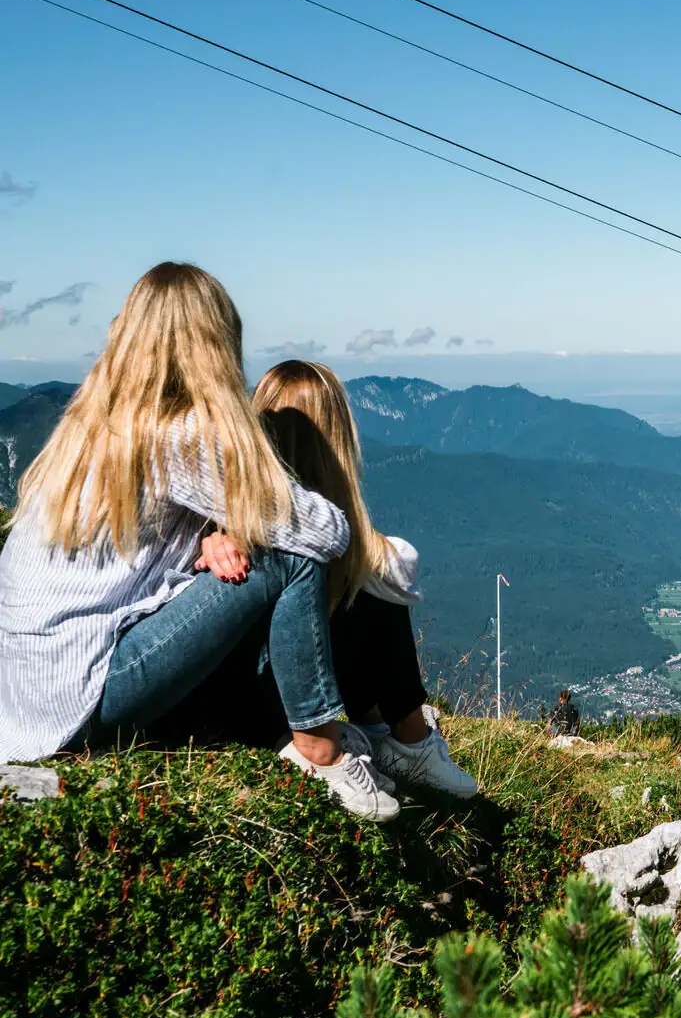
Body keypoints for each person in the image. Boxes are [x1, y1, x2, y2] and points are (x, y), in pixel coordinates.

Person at [0, 263, 398, 820]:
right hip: (86, 700)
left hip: (25, 705)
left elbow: (127, 555)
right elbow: (325, 531)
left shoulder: (93, 421)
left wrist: (216, 533)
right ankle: (319, 747)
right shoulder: (180, 436)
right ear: (215, 343)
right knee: (288, 557)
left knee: (268, 545)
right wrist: (240, 526)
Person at [245, 360, 477, 798]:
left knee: (357, 584)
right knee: (373, 584)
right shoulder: (314, 522)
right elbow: (401, 571)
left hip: (254, 686)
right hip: (269, 704)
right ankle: (410, 741)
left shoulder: (239, 499)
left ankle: (385, 734)